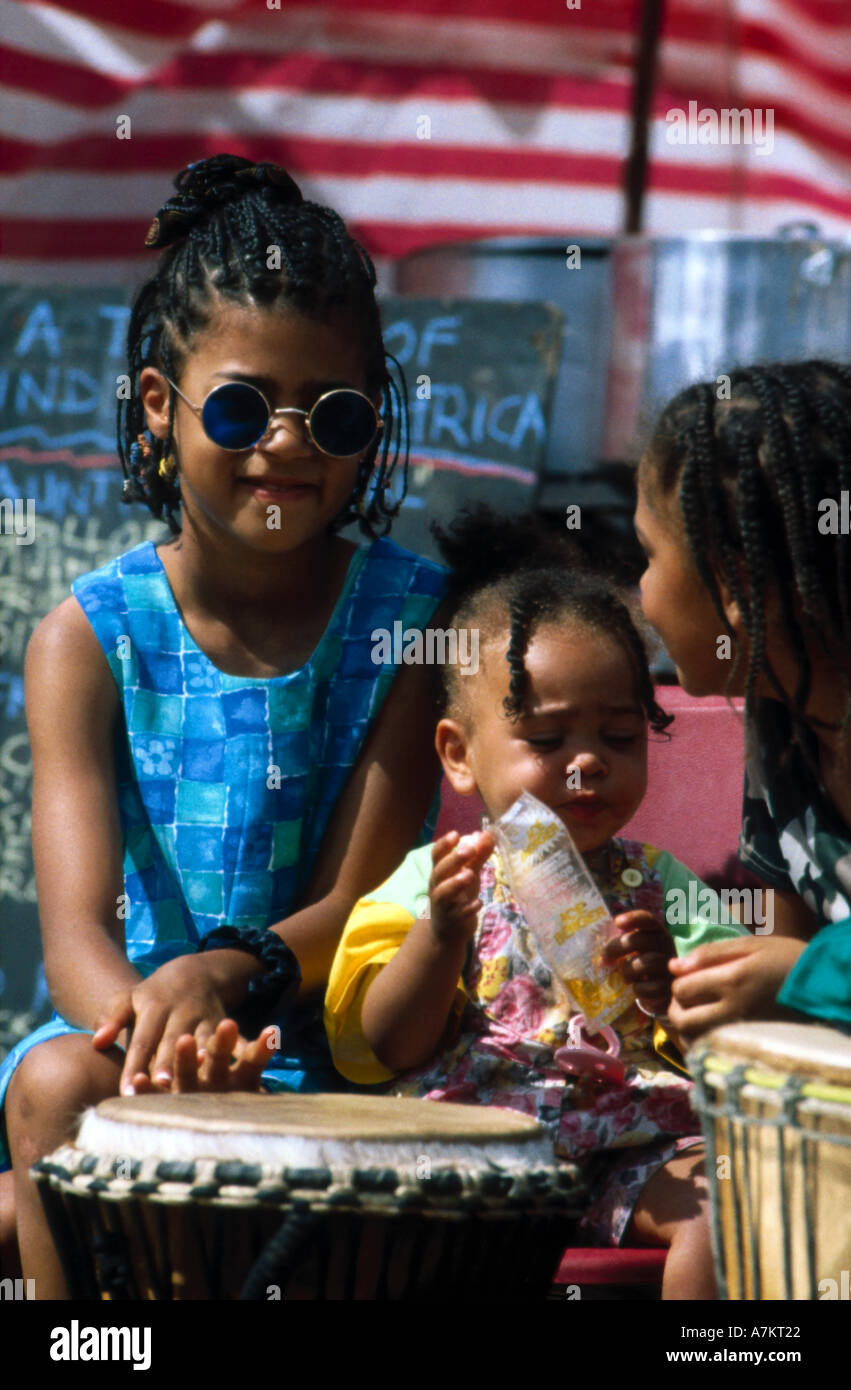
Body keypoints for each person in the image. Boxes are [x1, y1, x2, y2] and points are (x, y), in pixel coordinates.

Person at [0, 153, 446, 1295]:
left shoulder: (406, 623)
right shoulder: (86, 638)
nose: (288, 443)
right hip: (124, 1038)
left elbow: (358, 899)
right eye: (245, 405)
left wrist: (226, 982)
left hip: (321, 1039)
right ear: (161, 404)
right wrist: (161, 1030)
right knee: (51, 1087)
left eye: (331, 413)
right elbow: (74, 940)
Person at [324, 508, 750, 1299]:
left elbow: (731, 1043)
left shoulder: (663, 885)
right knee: (376, 1224)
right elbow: (381, 1045)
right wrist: (439, 934)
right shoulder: (434, 880)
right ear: (457, 754)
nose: (586, 763)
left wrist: (668, 991)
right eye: (547, 742)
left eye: (619, 738)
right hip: (477, 1152)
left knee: (727, 1206)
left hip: (631, 1148)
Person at [634, 360, 851, 1039]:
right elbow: (785, 977)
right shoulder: (780, 719)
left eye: (646, 553)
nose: (639, 592)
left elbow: (796, 972)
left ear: (734, 583)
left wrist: (802, 982)